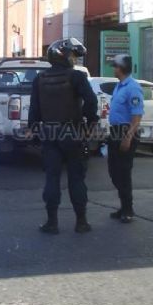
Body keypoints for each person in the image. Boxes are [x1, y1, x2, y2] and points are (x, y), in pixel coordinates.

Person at [28, 38, 99, 234]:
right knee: (76, 179)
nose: (74, 59)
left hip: (49, 134)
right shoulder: (76, 77)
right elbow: (91, 101)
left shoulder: (39, 79)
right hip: (73, 133)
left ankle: (52, 223)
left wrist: (34, 130)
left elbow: (33, 112)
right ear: (63, 56)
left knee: (52, 178)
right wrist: (90, 122)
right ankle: (81, 222)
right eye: (72, 55)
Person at [107, 54, 144, 223]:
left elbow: (137, 117)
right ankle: (123, 206)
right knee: (114, 171)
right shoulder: (119, 86)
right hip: (115, 131)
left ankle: (128, 209)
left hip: (126, 132)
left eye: (115, 66)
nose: (113, 68)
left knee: (123, 171)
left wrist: (128, 138)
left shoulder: (133, 88)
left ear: (121, 68)